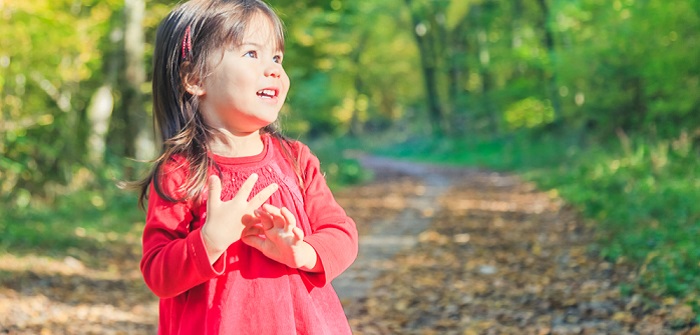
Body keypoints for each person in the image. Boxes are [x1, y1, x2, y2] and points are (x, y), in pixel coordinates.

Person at [134, 0, 358, 333]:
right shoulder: (182, 172)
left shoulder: (295, 160)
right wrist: (209, 240)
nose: (274, 69)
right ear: (194, 77)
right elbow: (158, 274)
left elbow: (342, 234)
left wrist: (302, 252)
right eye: (252, 54)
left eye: (277, 57)